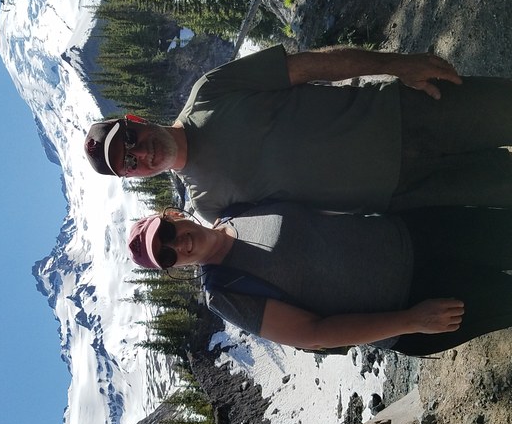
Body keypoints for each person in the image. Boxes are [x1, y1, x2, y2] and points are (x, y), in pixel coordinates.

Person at [84, 45, 512, 222]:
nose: (140, 154)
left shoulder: (210, 91)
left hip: (403, 113)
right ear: (132, 177)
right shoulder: (210, 207)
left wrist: (397, 64)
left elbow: (309, 65)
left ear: (135, 119)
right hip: (404, 192)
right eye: (128, 163)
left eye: (129, 141)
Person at [127, 202, 512, 356]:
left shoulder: (235, 209)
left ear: (173, 215)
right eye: (167, 256)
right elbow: (314, 334)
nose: (177, 245)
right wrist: (412, 320)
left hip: (415, 233)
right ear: (174, 268)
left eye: (167, 232)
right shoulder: (223, 292)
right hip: (414, 302)